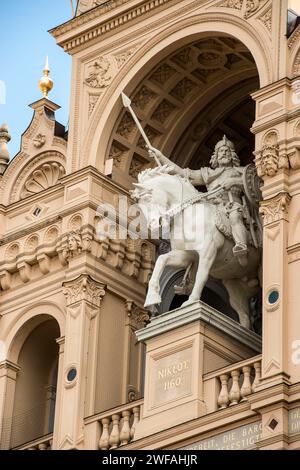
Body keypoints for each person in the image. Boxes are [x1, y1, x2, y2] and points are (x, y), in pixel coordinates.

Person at [148, 135, 248, 256]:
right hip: (212, 206)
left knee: (235, 217)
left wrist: (233, 182)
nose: (224, 153)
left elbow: (252, 183)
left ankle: (241, 245)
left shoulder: (241, 171)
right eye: (221, 151)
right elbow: (183, 173)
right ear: (216, 156)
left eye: (227, 151)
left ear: (232, 155)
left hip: (232, 205)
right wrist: (160, 157)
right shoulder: (208, 173)